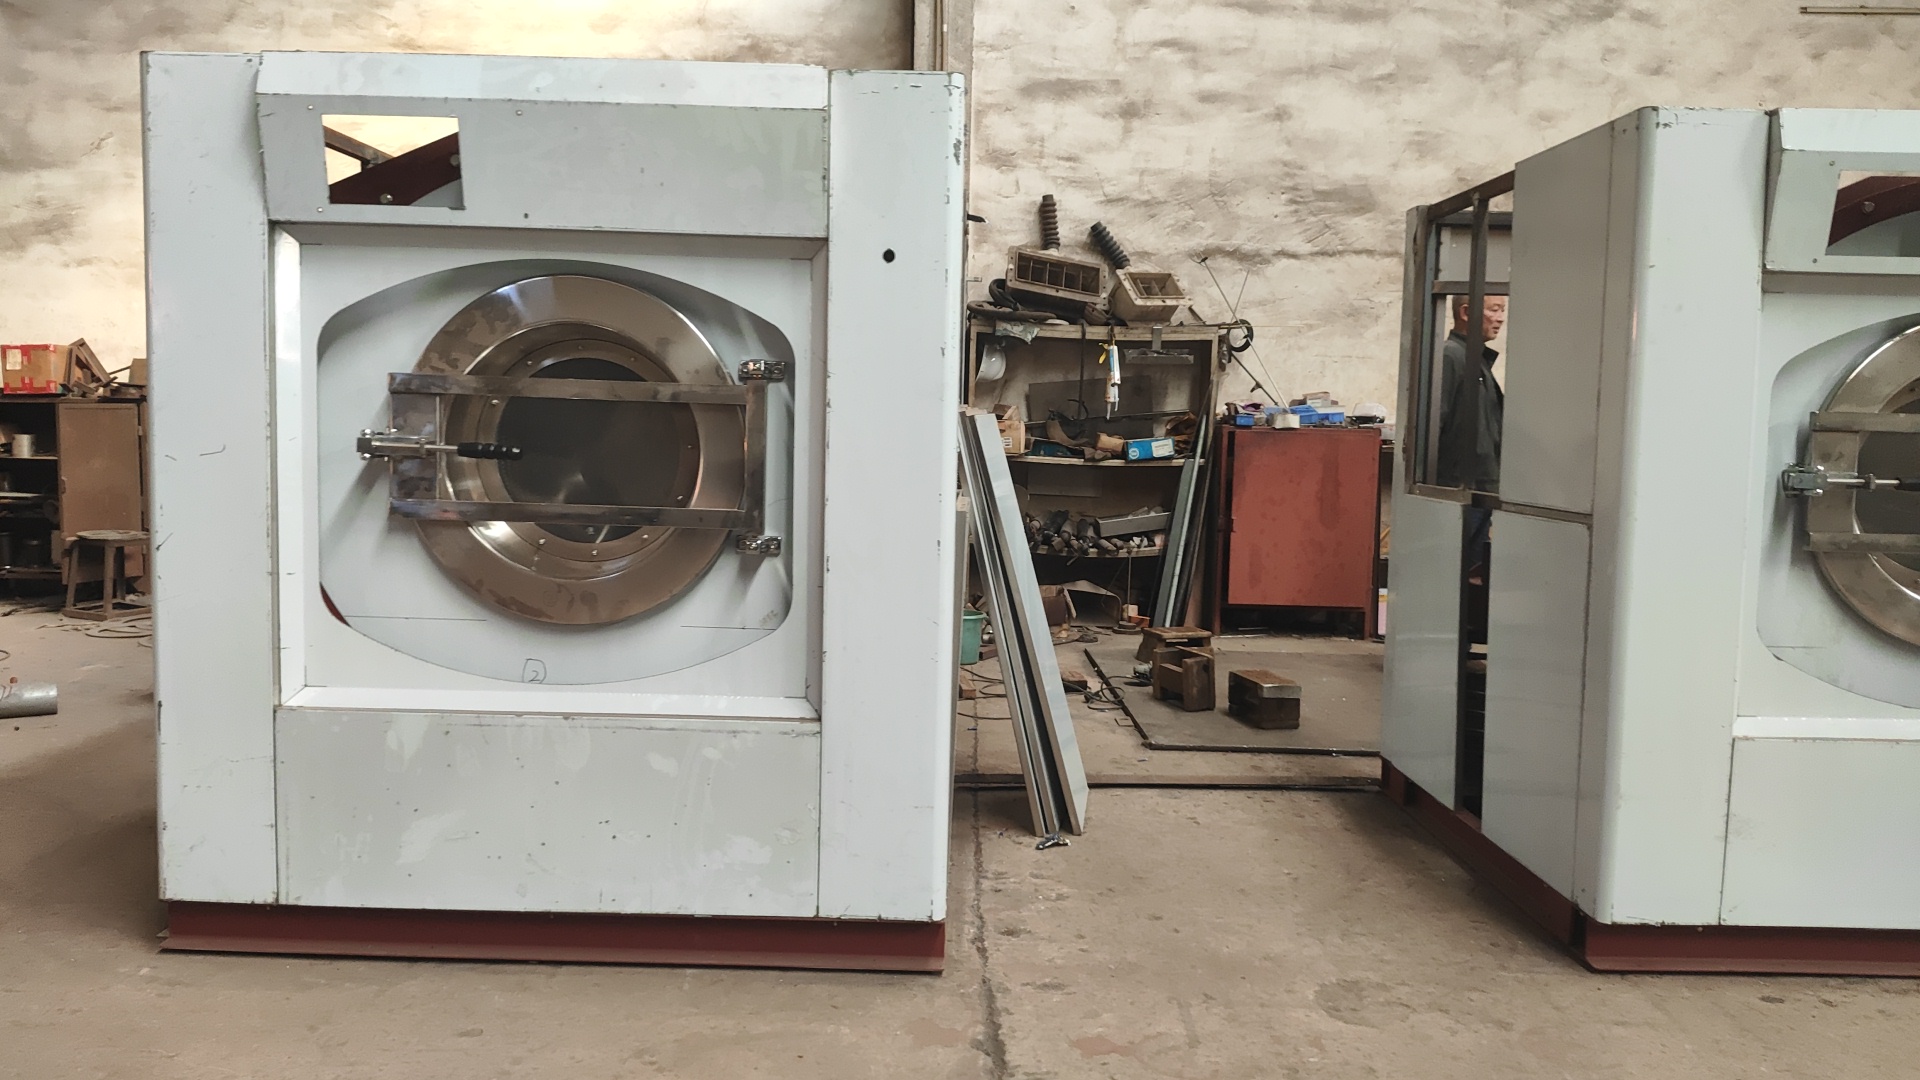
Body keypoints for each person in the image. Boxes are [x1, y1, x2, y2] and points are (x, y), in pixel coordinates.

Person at [1435, 294, 1506, 492]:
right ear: (1466, 312)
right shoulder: (1450, 357)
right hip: (1461, 487)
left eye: (1503, 311)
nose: (1501, 318)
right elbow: (1434, 423)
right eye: (1494, 310)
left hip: (1481, 485)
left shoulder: (1476, 359)